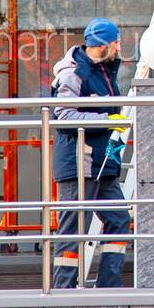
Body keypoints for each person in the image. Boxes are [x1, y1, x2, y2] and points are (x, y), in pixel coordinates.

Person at [50, 17, 131, 288]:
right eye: (115, 43)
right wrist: (107, 120)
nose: (118, 48)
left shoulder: (104, 71)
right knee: (73, 229)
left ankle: (109, 286)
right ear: (102, 44)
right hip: (79, 163)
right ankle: (63, 290)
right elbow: (63, 116)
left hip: (103, 163)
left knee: (119, 219)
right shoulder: (73, 73)